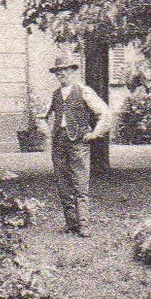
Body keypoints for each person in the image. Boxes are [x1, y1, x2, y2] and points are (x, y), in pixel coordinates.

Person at [44, 52, 112, 236]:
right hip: (59, 142)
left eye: (64, 71)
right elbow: (40, 117)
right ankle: (71, 223)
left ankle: (84, 225)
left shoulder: (84, 91)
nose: (61, 75)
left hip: (79, 144)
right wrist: (48, 132)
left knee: (80, 184)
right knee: (63, 184)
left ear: (73, 72)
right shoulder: (55, 95)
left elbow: (104, 113)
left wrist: (94, 134)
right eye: (57, 72)